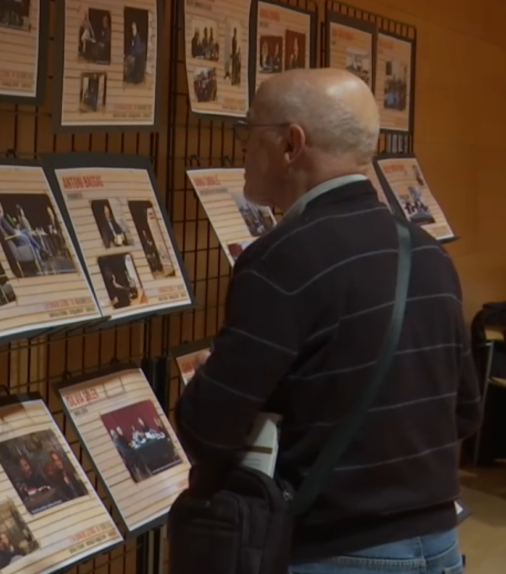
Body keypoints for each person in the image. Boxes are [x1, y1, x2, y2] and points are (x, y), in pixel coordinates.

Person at [175, 68, 481, 573]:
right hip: (441, 545)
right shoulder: (428, 253)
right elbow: (465, 411)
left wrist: (211, 377)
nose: (241, 146)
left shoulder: (282, 259)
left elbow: (206, 429)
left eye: (249, 130)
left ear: (290, 144)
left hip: (336, 550)